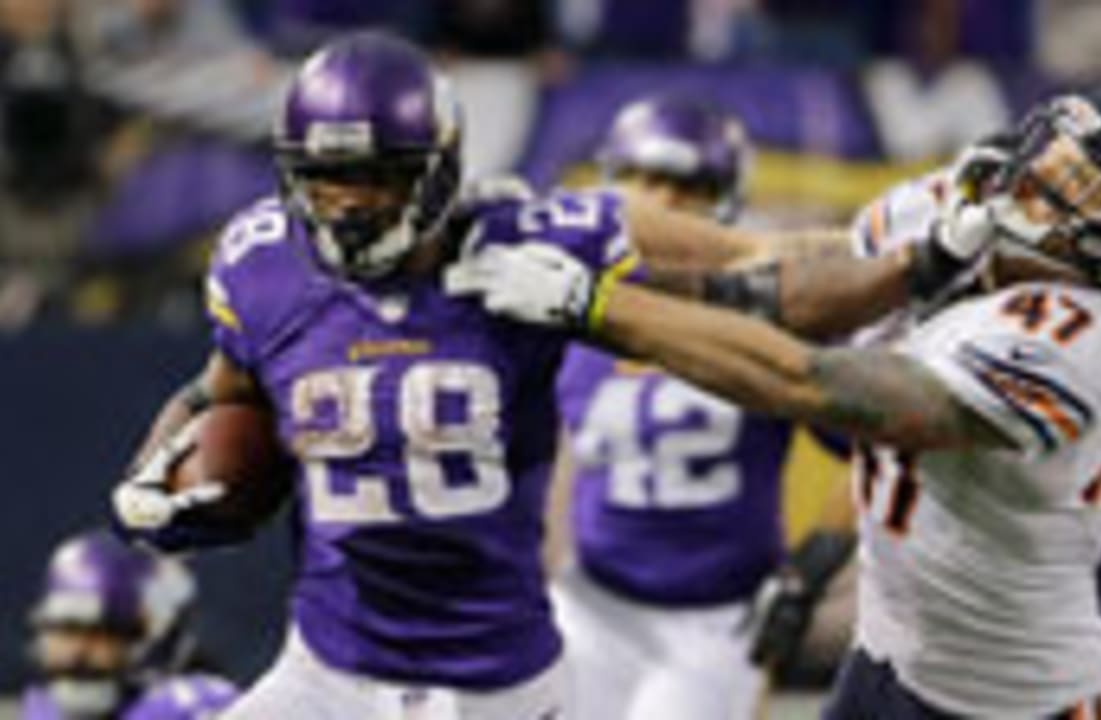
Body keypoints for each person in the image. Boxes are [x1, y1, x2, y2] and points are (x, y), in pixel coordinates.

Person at [108, 31, 990, 720]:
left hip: (493, 682)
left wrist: (926, 253)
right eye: (328, 180)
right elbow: (222, 391)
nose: (348, 205)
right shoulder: (261, 258)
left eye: (377, 178)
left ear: (440, 168)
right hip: (326, 667)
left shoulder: (539, 239)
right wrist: (160, 476)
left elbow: (771, 278)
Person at [443, 84, 1101, 718]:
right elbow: (784, 277)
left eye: (1082, 177)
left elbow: (809, 381)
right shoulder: (968, 204)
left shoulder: (1072, 344)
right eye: (1057, 146)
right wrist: (556, 225)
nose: (1045, 170)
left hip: (1016, 699)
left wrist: (594, 304)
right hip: (889, 663)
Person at [551, 95, 854, 720]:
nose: (659, 202)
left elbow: (873, 447)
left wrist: (808, 573)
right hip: (593, 599)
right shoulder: (566, 299)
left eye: (688, 185)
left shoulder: (776, 313)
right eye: (641, 179)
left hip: (719, 617)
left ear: (725, 199)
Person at [21, 529, 236, 720]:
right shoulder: (43, 708)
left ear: (159, 640)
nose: (76, 655)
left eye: (103, 634)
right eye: (65, 633)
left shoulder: (191, 703)